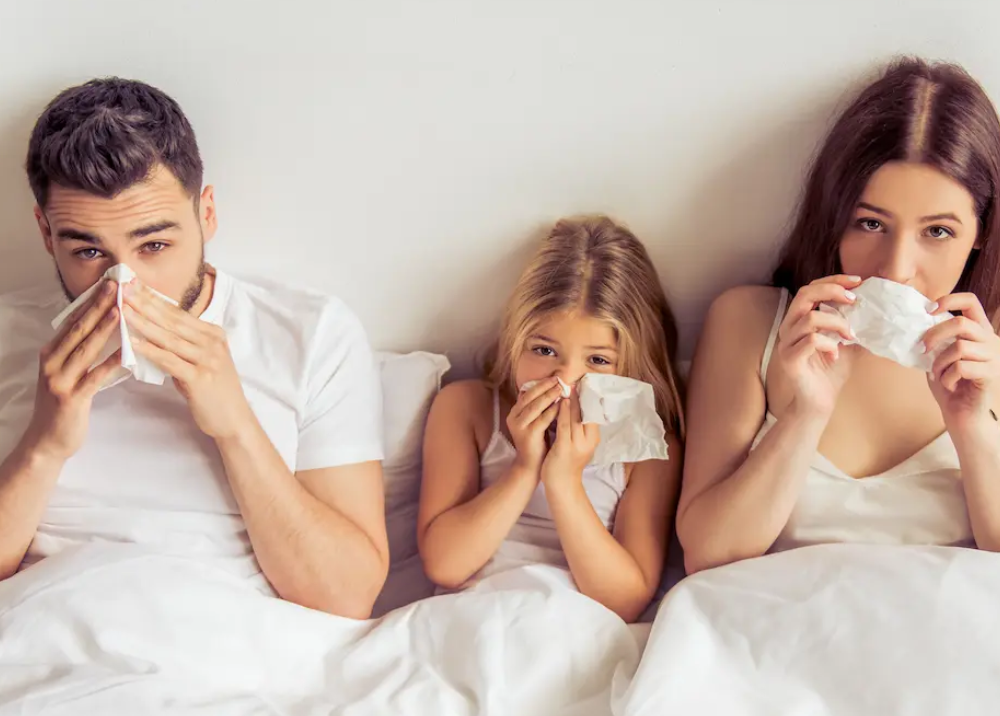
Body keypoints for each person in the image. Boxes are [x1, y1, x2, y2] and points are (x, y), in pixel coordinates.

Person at [0, 78, 388, 618]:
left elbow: (346, 596)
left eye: (154, 245)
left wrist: (235, 426)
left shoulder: (311, 333)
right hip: (42, 641)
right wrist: (44, 446)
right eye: (88, 250)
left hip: (230, 647)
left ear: (206, 213)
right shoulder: (6, 333)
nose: (123, 282)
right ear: (46, 233)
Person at [678, 58, 1000, 573]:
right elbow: (709, 555)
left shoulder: (992, 349)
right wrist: (805, 414)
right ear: (834, 216)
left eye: (937, 231)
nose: (896, 269)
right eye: (871, 223)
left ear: (981, 232)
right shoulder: (752, 323)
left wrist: (972, 427)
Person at [417, 215, 684, 622]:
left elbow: (625, 601)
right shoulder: (467, 408)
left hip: (572, 628)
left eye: (597, 360)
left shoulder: (645, 450)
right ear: (516, 341)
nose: (565, 379)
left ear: (631, 368)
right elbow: (444, 565)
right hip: (471, 617)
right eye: (544, 351)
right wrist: (525, 467)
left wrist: (563, 481)